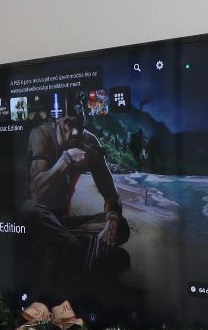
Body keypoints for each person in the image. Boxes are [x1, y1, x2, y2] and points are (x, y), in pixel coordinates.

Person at [19, 108, 130, 278]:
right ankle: (82, 253)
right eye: (69, 124)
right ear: (56, 121)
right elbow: (36, 196)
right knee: (29, 210)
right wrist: (67, 159)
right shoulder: (41, 135)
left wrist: (112, 222)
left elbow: (111, 195)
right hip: (40, 222)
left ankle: (70, 251)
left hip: (63, 225)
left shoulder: (88, 140)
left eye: (80, 125)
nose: (76, 132)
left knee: (121, 226)